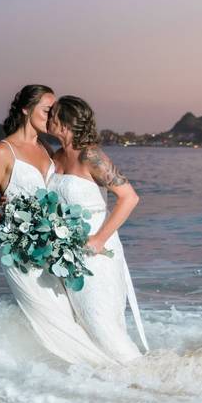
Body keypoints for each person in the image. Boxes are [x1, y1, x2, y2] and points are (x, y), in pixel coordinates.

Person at [0, 85, 116, 366]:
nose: (53, 115)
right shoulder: (3, 152)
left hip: (54, 253)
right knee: (52, 320)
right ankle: (97, 374)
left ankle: (91, 375)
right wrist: (14, 233)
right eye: (47, 110)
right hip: (22, 254)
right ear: (26, 109)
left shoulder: (46, 148)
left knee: (69, 316)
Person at [48, 95, 149, 362]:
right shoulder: (56, 156)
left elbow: (129, 197)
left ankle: (147, 381)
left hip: (96, 252)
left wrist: (99, 239)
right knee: (81, 322)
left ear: (64, 122)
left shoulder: (90, 155)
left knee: (100, 321)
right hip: (67, 253)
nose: (48, 119)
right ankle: (107, 387)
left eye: (52, 114)